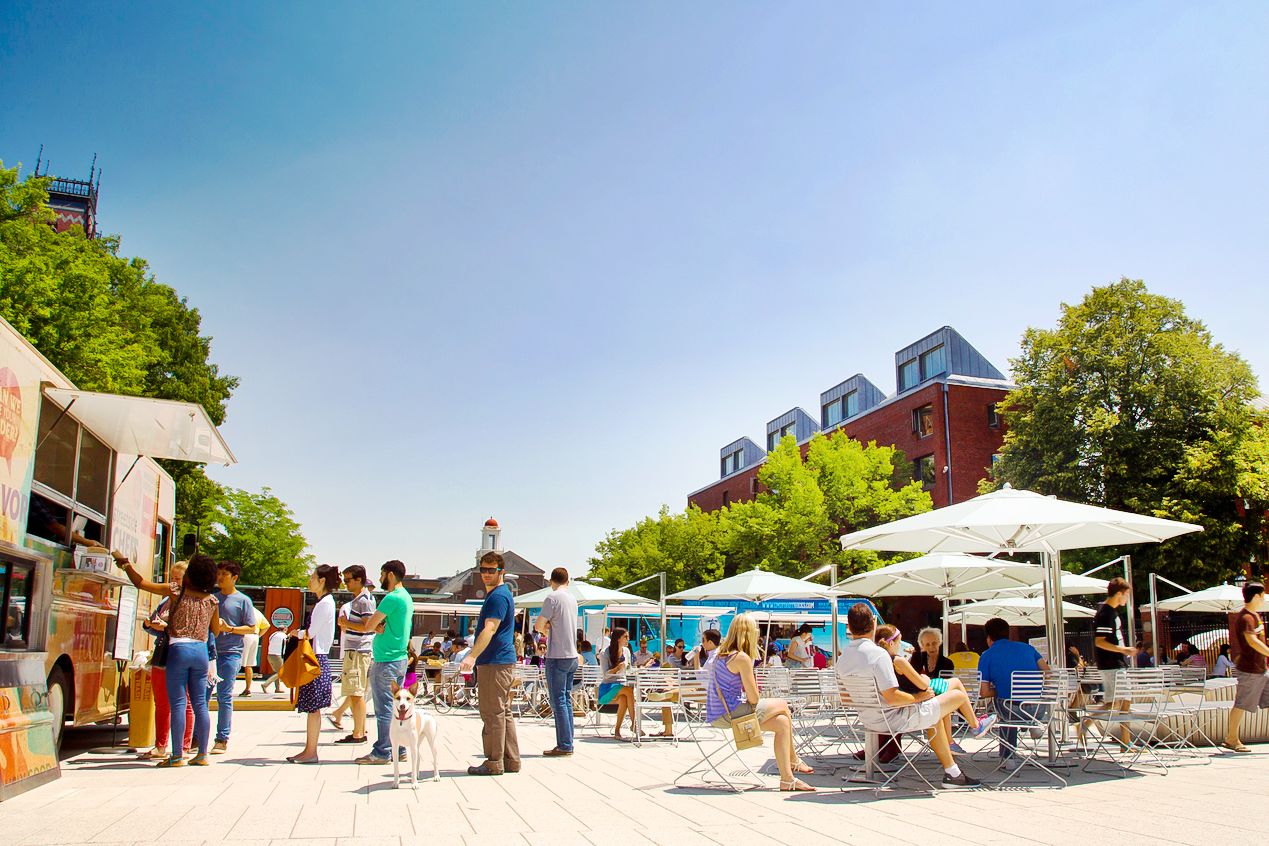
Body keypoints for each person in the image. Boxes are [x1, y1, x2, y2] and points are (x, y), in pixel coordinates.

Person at [836, 603, 981, 787]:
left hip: (867, 719)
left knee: (934, 715)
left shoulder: (842, 659)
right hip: (892, 719)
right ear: (873, 624)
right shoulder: (878, 655)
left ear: (848, 626)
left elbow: (846, 698)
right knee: (957, 696)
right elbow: (892, 697)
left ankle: (953, 772)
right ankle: (973, 732)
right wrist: (920, 698)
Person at [118, 553, 222, 767]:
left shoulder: (176, 592)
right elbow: (216, 631)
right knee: (200, 704)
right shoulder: (212, 600)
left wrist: (126, 564)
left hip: (179, 650)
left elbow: (140, 583)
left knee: (178, 703)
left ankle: (176, 756)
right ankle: (202, 753)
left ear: (189, 575)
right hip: (201, 651)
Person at [707, 613, 815, 791]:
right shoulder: (741, 657)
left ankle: (787, 779)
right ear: (748, 633)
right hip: (730, 714)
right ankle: (794, 759)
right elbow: (754, 698)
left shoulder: (720, 655)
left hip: (717, 714)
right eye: (755, 629)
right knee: (782, 704)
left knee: (782, 723)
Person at [879, 625, 994, 755]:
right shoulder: (900, 660)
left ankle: (954, 740)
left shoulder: (882, 661)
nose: (931, 647)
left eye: (934, 643)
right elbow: (921, 684)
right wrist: (925, 678)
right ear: (892, 643)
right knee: (955, 683)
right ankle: (974, 726)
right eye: (899, 642)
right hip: (919, 695)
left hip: (907, 701)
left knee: (948, 693)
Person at [346, 560, 413, 766]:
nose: (380, 579)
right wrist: (378, 626)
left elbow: (368, 624)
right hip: (399, 658)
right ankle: (399, 748)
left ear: (391, 575)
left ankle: (382, 751)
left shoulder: (391, 598)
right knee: (397, 708)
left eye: (382, 574)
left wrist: (349, 623)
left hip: (386, 660)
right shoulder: (406, 597)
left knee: (384, 709)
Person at [460, 551, 520, 776]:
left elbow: (490, 628)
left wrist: (472, 656)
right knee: (503, 712)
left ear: (501, 571)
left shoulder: (497, 597)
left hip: (494, 661)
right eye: (483, 570)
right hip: (501, 661)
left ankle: (494, 761)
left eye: (491, 570)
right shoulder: (501, 594)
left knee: (492, 712)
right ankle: (510, 760)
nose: (486, 574)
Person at [977, 616, 1051, 766]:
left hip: (1011, 710)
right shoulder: (1028, 648)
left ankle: (1008, 757)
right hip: (1038, 708)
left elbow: (984, 693)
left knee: (1003, 704)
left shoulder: (987, 656)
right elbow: (1048, 673)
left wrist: (1001, 689)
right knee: (1009, 703)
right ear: (1008, 633)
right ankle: (1033, 725)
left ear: (989, 638)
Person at [140, 560, 192, 761]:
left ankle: (184, 746)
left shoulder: (192, 601)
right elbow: (156, 626)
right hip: (162, 653)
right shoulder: (165, 600)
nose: (173, 583)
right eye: (171, 578)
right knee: (161, 702)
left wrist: (166, 626)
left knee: (184, 702)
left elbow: (191, 629)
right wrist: (149, 624)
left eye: (177, 579)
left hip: (182, 654)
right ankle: (160, 745)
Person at [288, 565, 340, 763]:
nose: (309, 581)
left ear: (322, 581)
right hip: (318, 657)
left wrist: (294, 633)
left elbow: (310, 633)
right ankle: (309, 750)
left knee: (313, 708)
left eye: (312, 577)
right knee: (313, 708)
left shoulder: (324, 603)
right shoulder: (326, 602)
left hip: (316, 658)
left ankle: (311, 751)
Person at [210, 561, 258, 754]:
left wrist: (228, 628)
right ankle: (197, 736)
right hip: (210, 652)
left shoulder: (243, 600)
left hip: (231, 652)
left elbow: (252, 627)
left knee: (224, 696)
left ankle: (222, 738)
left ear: (234, 578)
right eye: (218, 573)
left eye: (224, 574)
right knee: (202, 696)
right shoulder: (212, 598)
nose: (220, 577)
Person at [535, 566, 580, 758]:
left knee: (558, 700)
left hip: (558, 655)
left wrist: (545, 630)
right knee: (566, 699)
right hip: (572, 655)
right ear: (567, 581)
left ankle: (564, 745)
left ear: (551, 581)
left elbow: (538, 625)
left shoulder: (552, 598)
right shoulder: (572, 598)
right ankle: (568, 741)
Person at [329, 565, 376, 745]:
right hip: (357, 650)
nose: (345, 583)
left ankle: (358, 734)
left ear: (358, 580)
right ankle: (359, 731)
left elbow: (367, 626)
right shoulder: (361, 599)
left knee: (356, 693)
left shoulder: (363, 600)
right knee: (357, 692)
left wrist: (346, 623)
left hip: (357, 650)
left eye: (348, 580)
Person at [1224, 582, 1269, 753]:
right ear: (1256, 596)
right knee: (1242, 703)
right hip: (1250, 670)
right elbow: (1252, 641)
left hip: (1262, 669)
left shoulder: (1255, 616)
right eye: (1262, 595)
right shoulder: (1245, 618)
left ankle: (1232, 738)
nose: (1264, 598)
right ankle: (1231, 738)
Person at [1093, 578, 1136, 743]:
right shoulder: (1106, 614)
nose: (1127, 599)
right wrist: (1123, 650)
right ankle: (1126, 742)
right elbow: (1100, 641)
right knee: (1123, 701)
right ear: (1119, 593)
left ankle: (1086, 723)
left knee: (1117, 702)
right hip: (1112, 664)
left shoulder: (1111, 612)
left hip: (1113, 663)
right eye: (1126, 595)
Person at [598, 627, 637, 739]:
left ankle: (617, 731)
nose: (628, 639)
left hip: (621, 685)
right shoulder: (605, 652)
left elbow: (628, 670)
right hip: (607, 687)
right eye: (626, 637)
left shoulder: (626, 651)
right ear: (618, 638)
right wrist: (616, 668)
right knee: (629, 691)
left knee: (625, 698)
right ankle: (634, 724)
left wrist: (633, 670)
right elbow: (605, 674)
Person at [239, 606, 268, 697]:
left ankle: (225, 689)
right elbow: (267, 625)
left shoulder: (243, 609)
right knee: (249, 665)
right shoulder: (257, 611)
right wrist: (259, 635)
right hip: (255, 636)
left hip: (244, 635)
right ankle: (248, 689)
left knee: (235, 662)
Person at [262, 625, 287, 693]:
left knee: (276, 672)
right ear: (284, 629)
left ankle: (277, 689)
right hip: (277, 656)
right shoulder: (284, 636)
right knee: (280, 672)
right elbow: (286, 644)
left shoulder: (272, 635)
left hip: (270, 655)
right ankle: (265, 684)